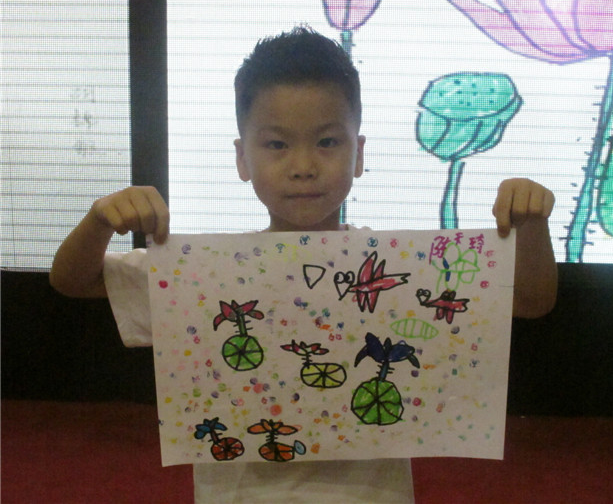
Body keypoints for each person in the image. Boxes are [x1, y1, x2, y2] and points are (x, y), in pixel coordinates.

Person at [51, 26, 557, 503]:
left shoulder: (400, 270)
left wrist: (532, 225)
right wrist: (100, 220)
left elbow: (533, 301)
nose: (303, 166)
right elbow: (73, 280)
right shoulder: (207, 275)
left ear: (358, 154)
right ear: (242, 158)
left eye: (327, 141)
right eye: (277, 144)